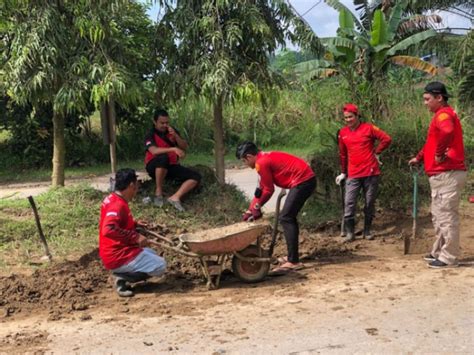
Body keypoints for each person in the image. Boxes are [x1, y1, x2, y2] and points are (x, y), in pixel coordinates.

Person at [409, 82, 467, 269]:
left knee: (447, 216)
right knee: (439, 215)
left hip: (447, 174)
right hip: (441, 174)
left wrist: (440, 153)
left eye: (427, 99)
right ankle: (439, 251)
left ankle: (449, 257)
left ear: (439, 98)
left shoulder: (443, 115)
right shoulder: (441, 115)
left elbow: (447, 132)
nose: (425, 103)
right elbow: (431, 142)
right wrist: (419, 157)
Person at [236, 142, 316, 271]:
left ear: (249, 156)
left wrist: (257, 207)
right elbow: (261, 189)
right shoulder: (261, 160)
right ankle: (292, 257)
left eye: (244, 161)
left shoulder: (261, 163)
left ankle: (293, 261)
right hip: (303, 180)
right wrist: (250, 209)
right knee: (287, 217)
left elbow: (268, 190)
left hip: (303, 181)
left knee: (286, 218)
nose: (244, 164)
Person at [99, 168, 167, 297]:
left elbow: (117, 222)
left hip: (115, 251)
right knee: (160, 266)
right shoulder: (117, 205)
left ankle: (122, 273)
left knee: (151, 253)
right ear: (131, 185)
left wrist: (134, 224)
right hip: (117, 255)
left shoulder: (112, 198)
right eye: (136, 185)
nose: (136, 189)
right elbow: (108, 229)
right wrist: (135, 236)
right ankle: (122, 277)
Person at [335, 103, 392, 242]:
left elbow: (386, 139)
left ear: (357, 116)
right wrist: (343, 172)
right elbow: (343, 154)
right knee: (349, 202)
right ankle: (350, 233)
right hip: (353, 173)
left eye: (351, 117)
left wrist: (376, 153)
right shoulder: (343, 133)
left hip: (370, 172)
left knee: (369, 202)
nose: (348, 120)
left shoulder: (369, 128)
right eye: (346, 118)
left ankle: (367, 230)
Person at [144, 109, 201, 212]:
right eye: (162, 123)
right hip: (154, 165)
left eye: (167, 122)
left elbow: (184, 146)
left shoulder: (171, 131)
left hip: (171, 166)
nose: (165, 125)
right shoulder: (150, 134)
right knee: (163, 158)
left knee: (196, 177)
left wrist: (176, 136)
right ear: (155, 122)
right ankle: (158, 192)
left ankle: (175, 197)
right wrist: (173, 149)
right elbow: (154, 151)